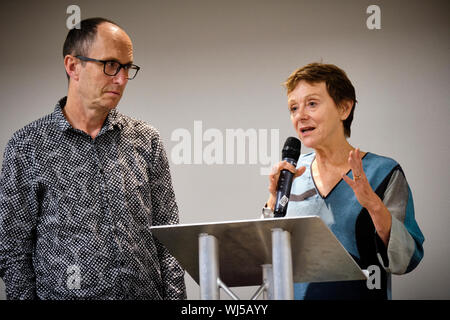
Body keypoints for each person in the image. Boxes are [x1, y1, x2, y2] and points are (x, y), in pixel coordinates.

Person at [0, 17, 186, 300]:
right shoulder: (27, 146)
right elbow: (13, 251)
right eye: (110, 65)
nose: (121, 79)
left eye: (127, 68)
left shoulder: (146, 140)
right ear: (73, 66)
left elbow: (170, 238)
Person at [265, 63, 424, 299]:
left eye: (312, 103)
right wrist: (272, 200)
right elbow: (265, 257)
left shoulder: (383, 172)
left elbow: (407, 259)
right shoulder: (291, 176)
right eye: (293, 108)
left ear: (344, 108)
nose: (300, 116)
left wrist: (373, 204)